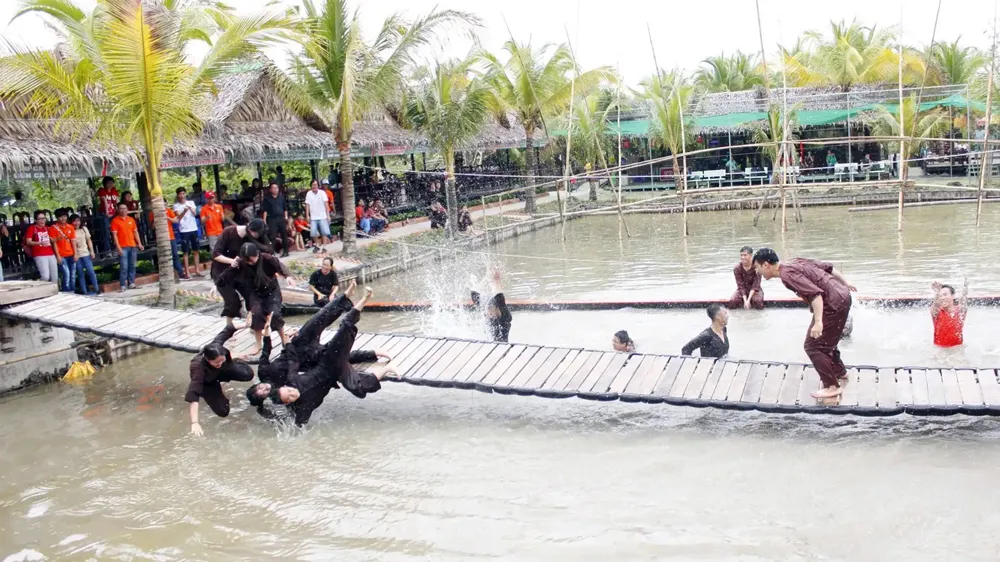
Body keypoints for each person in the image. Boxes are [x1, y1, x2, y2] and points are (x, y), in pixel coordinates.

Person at [257, 287, 395, 427]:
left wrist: (284, 341)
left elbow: (290, 359)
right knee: (357, 388)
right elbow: (296, 423)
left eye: (260, 387)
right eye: (291, 396)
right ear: (288, 402)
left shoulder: (287, 378)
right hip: (331, 369)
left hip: (323, 360)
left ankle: (360, 297)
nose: (294, 393)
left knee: (333, 325)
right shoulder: (302, 406)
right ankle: (385, 366)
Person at [753, 248, 857, 399]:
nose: (757, 272)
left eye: (757, 267)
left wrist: (819, 322)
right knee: (826, 341)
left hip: (832, 302)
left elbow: (816, 295)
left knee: (813, 346)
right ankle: (840, 372)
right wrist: (846, 282)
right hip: (842, 295)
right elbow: (829, 268)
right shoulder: (795, 261)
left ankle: (832, 386)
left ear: (766, 265)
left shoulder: (786, 275)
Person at [246, 282, 360, 404]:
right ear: (264, 398)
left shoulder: (263, 372)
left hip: (295, 346)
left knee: (317, 320)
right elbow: (294, 370)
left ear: (257, 385)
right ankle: (371, 352)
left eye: (260, 388)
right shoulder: (280, 394)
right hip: (307, 360)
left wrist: (268, 332)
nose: (265, 389)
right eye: (263, 393)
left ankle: (345, 297)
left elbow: (266, 351)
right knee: (338, 351)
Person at [218, 242, 294, 353]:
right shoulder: (241, 262)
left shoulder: (267, 258)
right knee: (256, 314)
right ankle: (258, 343)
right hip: (255, 291)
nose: (251, 262)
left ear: (258, 254)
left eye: (253, 259)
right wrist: (220, 282)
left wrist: (287, 276)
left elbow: (280, 266)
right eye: (248, 261)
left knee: (275, 314)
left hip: (272, 290)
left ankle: (283, 339)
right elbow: (225, 276)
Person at [186, 318, 255, 436]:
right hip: (208, 381)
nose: (219, 363)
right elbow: (193, 395)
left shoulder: (216, 348)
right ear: (207, 360)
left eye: (221, 360)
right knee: (223, 412)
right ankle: (221, 389)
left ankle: (235, 360)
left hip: (224, 370)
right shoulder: (198, 368)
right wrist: (195, 422)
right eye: (216, 362)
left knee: (248, 374)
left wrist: (245, 324)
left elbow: (227, 330)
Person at [210, 220, 272, 326]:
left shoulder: (250, 239)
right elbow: (216, 254)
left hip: (239, 271)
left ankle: (254, 324)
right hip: (222, 271)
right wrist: (232, 261)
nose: (256, 237)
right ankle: (229, 327)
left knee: (251, 296)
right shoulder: (229, 232)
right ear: (250, 229)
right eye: (256, 234)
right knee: (232, 301)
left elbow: (266, 250)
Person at [470, 269, 512, 342]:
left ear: (498, 310)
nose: (488, 313)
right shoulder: (487, 316)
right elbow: (474, 293)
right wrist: (486, 276)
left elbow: (500, 299)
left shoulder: (505, 319)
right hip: (490, 348)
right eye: (488, 311)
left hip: (502, 348)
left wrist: (496, 281)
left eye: (490, 311)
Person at [110, 202, 143, 292]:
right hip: (123, 247)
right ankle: (123, 285)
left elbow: (135, 232)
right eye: (121, 208)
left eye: (125, 208)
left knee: (132, 265)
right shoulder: (115, 221)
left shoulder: (131, 219)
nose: (123, 210)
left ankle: (131, 283)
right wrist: (118, 247)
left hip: (132, 245)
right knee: (124, 267)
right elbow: (115, 236)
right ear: (118, 210)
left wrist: (139, 243)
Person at [173, 187, 202, 278]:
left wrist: (190, 209)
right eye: (180, 194)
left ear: (185, 194)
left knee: (196, 250)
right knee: (185, 252)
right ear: (178, 195)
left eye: (183, 193)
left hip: (193, 229)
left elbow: (195, 214)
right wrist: (184, 211)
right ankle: (187, 272)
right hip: (184, 230)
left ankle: (197, 270)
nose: (182, 195)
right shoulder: (176, 206)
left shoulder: (191, 203)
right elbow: (178, 218)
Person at [930, 279, 968, 347]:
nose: (942, 298)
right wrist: (937, 291)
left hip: (957, 350)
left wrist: (965, 287)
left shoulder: (960, 311)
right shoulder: (936, 312)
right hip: (940, 350)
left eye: (945, 295)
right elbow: (935, 305)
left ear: (953, 296)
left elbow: (964, 299)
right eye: (940, 296)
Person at [24, 210, 59, 283]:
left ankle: (53, 291)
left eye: (44, 218)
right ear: (36, 220)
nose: (42, 220)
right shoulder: (32, 228)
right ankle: (40, 289)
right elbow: (28, 242)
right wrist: (39, 243)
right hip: (39, 254)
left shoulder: (46, 228)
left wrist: (54, 239)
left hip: (50, 253)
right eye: (40, 219)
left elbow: (51, 240)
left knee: (54, 276)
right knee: (45, 276)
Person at [70, 214, 99, 295]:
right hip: (77, 255)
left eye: (78, 221)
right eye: (74, 221)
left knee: (91, 271)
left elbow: (89, 240)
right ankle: (84, 291)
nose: (76, 223)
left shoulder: (83, 229)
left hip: (85, 253)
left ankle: (96, 289)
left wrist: (92, 251)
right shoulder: (71, 230)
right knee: (80, 273)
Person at [728, 246, 764, 310]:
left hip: (755, 290)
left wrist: (748, 300)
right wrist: (745, 301)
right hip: (742, 290)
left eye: (745, 255)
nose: (742, 257)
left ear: (751, 256)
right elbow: (740, 285)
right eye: (741, 255)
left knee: (758, 302)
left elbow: (756, 285)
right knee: (732, 301)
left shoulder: (757, 267)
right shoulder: (737, 268)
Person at [261, 182, 290, 257]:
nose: (275, 189)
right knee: (272, 236)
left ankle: (286, 252)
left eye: (276, 188)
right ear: (270, 189)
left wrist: (286, 217)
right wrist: (264, 220)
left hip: (281, 218)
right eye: (273, 188)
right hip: (272, 219)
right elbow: (265, 210)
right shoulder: (267, 199)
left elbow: (285, 208)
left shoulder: (281, 197)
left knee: (284, 235)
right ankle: (272, 253)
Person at [52, 209, 77, 292]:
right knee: (66, 274)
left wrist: (75, 253)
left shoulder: (70, 227)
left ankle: (72, 291)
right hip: (61, 255)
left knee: (72, 275)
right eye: (61, 217)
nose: (63, 218)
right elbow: (54, 243)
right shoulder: (53, 228)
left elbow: (73, 241)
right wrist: (58, 256)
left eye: (65, 216)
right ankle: (67, 292)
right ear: (57, 218)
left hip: (70, 253)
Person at [304, 179, 331, 248]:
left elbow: (326, 204)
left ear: (318, 186)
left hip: (322, 216)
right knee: (313, 233)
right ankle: (317, 245)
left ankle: (324, 246)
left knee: (324, 232)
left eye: (315, 185)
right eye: (313, 185)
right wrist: (307, 215)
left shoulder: (322, 193)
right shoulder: (309, 194)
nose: (314, 186)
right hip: (313, 217)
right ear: (311, 186)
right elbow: (307, 205)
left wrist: (328, 215)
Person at [96, 176, 119, 254]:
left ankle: (116, 248)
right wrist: (107, 213)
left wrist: (118, 212)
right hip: (105, 214)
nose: (110, 184)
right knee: (106, 232)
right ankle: (108, 250)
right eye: (108, 183)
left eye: (112, 183)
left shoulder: (114, 190)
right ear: (105, 184)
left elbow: (117, 202)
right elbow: (105, 201)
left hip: (114, 213)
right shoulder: (102, 190)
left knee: (115, 231)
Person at [165, 205, 187, 280]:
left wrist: (167, 217)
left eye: (164, 204)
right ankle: (168, 274)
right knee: (165, 256)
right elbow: (152, 226)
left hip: (171, 236)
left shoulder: (169, 210)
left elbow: (176, 220)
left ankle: (180, 272)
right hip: (162, 238)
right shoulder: (154, 212)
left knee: (175, 255)